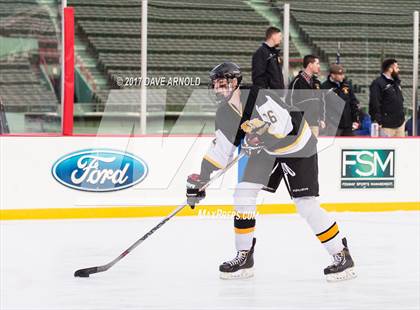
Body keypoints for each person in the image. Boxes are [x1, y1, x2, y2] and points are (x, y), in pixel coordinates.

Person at [186, 62, 356, 282]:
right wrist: (202, 178)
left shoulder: (258, 96)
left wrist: (260, 137)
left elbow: (285, 126)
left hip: (298, 146)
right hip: (267, 150)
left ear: (236, 82)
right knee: (243, 194)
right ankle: (244, 256)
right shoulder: (224, 114)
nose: (219, 89)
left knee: (306, 204)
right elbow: (220, 150)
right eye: (216, 84)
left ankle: (341, 255)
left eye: (223, 83)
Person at [288, 55, 325, 137]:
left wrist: (322, 118)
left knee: (313, 148)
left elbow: (321, 102)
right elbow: (289, 102)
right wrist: (295, 120)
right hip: (300, 124)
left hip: (314, 123)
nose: (319, 66)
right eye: (317, 63)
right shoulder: (297, 81)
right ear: (310, 65)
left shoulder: (317, 83)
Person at [369, 58, 405, 137]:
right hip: (386, 126)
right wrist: (378, 121)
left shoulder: (396, 82)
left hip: (400, 124)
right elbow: (375, 103)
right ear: (390, 69)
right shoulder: (377, 83)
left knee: (401, 148)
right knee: (386, 148)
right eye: (396, 67)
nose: (398, 70)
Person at [321, 64, 359, 136]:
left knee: (348, 145)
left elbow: (353, 103)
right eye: (340, 74)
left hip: (347, 123)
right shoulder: (324, 87)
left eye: (343, 74)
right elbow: (322, 105)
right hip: (332, 125)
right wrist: (323, 120)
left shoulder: (347, 85)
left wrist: (355, 119)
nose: (343, 76)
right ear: (332, 75)